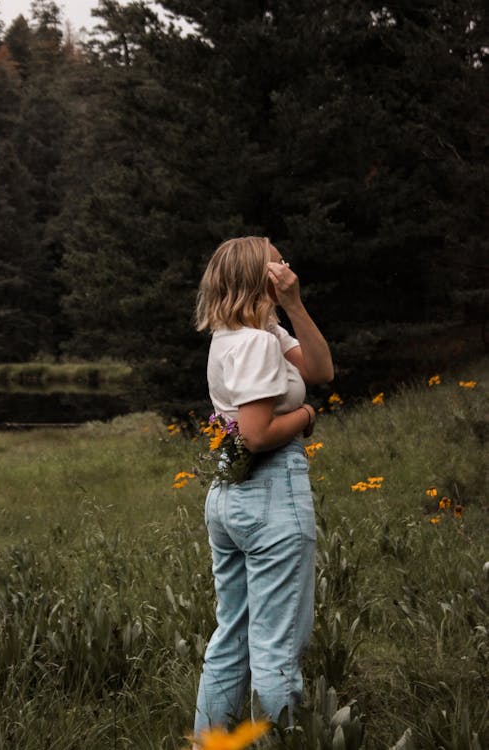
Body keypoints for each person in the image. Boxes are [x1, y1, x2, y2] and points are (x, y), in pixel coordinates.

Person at [193, 236, 334, 737]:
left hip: (229, 497)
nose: (286, 263)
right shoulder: (256, 342)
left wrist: (293, 304)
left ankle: (211, 745)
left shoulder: (251, 331)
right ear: (261, 275)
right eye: (278, 259)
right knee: (276, 648)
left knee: (231, 637)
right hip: (271, 493)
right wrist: (308, 414)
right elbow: (255, 435)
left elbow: (320, 369)